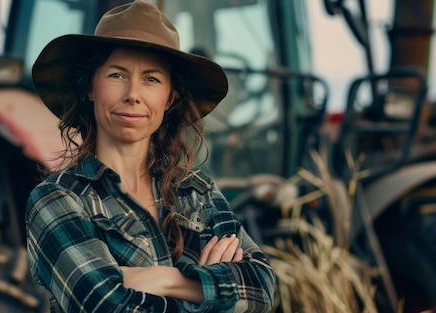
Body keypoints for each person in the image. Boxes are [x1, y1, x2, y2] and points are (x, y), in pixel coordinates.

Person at [25, 1, 276, 312]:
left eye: (151, 79)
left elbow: (261, 290)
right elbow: (105, 304)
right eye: (116, 75)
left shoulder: (197, 192)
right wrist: (208, 291)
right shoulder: (57, 199)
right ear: (91, 87)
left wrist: (164, 280)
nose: (133, 94)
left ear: (169, 99)